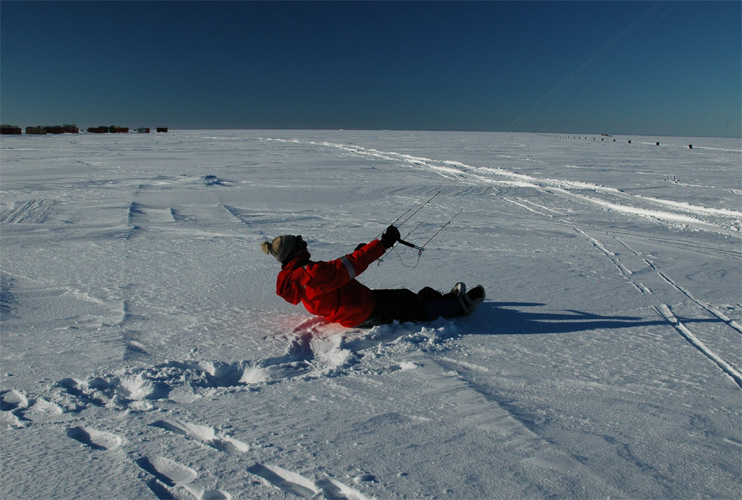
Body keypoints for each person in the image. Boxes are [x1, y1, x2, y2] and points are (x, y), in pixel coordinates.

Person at [260, 225, 485, 328]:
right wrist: (383, 244)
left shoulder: (295, 275)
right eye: (299, 243)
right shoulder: (311, 274)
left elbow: (336, 273)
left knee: (406, 296)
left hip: (355, 305)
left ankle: (444, 300)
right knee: (413, 307)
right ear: (293, 251)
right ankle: (459, 307)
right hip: (361, 310)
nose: (304, 243)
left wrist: (361, 251)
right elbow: (349, 267)